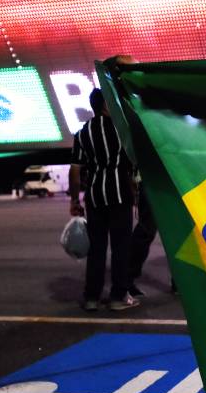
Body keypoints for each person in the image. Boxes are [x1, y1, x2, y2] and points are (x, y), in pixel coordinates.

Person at [69, 88, 139, 311]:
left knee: (96, 249)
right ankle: (118, 297)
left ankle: (91, 297)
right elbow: (132, 161)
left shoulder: (82, 133)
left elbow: (75, 170)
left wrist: (74, 200)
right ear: (107, 105)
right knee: (121, 248)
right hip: (119, 195)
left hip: (95, 197)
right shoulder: (121, 129)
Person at [128, 171, 176, 297]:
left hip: (172, 179)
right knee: (146, 231)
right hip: (153, 180)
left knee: (177, 235)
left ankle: (179, 282)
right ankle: (126, 280)